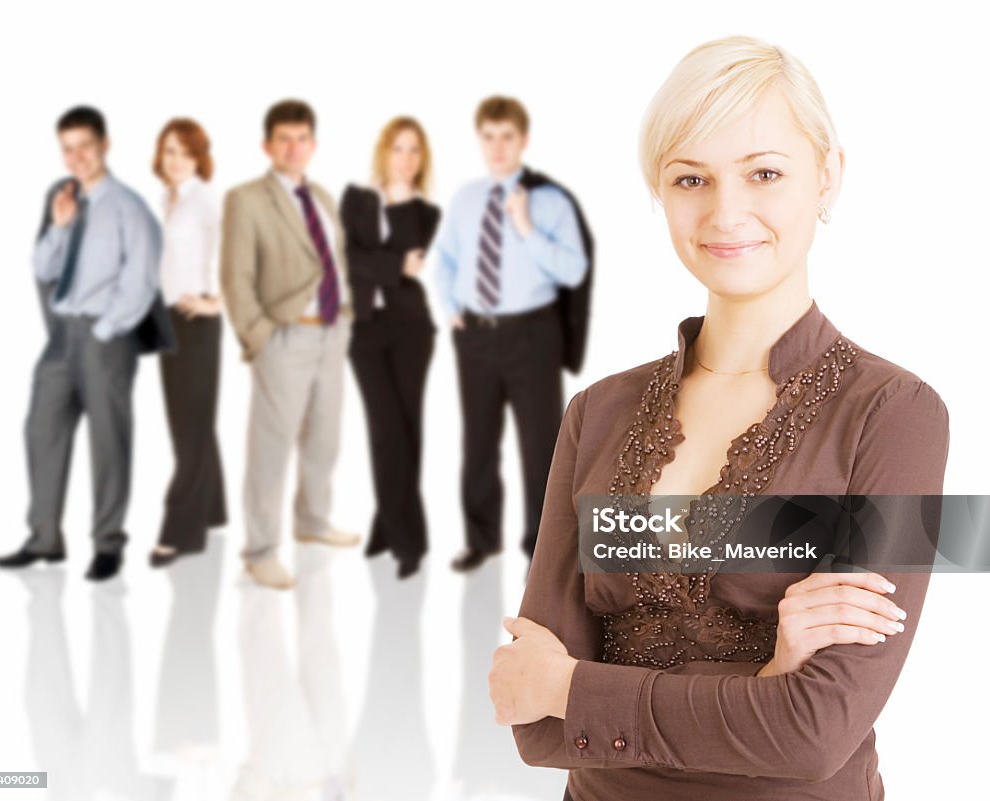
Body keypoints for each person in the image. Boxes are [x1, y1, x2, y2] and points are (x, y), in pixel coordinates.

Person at [489, 37, 950, 801]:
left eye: (765, 173)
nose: (725, 212)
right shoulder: (595, 413)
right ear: (660, 191)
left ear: (827, 176)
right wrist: (760, 680)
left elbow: (812, 734)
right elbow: (532, 723)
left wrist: (576, 688)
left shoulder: (897, 416)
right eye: (691, 178)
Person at [0, 106, 172, 581]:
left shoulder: (129, 208)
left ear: (105, 145)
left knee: (108, 441)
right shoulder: (64, 198)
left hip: (105, 337)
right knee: (40, 431)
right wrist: (60, 226)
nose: (76, 157)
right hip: (61, 336)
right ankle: (45, 538)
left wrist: (104, 330)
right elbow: (42, 270)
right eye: (67, 148)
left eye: (85, 146)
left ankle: (108, 544)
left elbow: (140, 282)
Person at [434, 96, 589, 571]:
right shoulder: (465, 198)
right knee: (478, 439)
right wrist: (452, 308)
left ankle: (540, 550)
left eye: (507, 137)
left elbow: (574, 268)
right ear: (480, 140)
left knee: (539, 442)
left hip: (531, 334)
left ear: (522, 140)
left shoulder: (550, 202)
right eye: (489, 136)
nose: (497, 147)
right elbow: (446, 258)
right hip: (476, 336)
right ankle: (482, 538)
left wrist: (525, 229)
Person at [220, 99, 358, 591]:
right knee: (271, 447)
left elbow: (333, 262)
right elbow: (236, 277)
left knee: (325, 436)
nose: (293, 147)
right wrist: (260, 338)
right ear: (267, 145)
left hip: (331, 332)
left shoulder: (320, 194)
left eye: (302, 138)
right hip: (286, 335)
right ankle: (259, 551)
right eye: (284, 138)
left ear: (313, 144)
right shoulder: (247, 199)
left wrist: (344, 316)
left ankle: (313, 521)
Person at [341, 117, 440, 580]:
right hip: (365, 329)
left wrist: (388, 258)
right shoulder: (356, 201)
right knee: (385, 430)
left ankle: (395, 529)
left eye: (414, 151)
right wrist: (392, 263)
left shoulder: (422, 212)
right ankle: (402, 533)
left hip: (410, 329)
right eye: (398, 149)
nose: (406, 159)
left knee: (407, 430)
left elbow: (413, 264)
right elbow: (348, 261)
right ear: (384, 151)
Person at [149, 118, 228, 568]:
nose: (176, 160)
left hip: (195, 323)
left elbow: (242, 250)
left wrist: (218, 302)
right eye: (169, 151)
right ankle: (213, 511)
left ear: (199, 158)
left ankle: (181, 533)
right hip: (168, 322)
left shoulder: (205, 198)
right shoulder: (168, 198)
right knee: (188, 424)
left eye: (185, 152)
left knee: (191, 429)